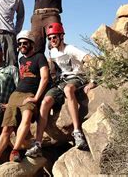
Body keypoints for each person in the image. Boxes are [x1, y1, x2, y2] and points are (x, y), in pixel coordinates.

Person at [25, 23, 97, 157]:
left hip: (77, 78)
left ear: (61, 36)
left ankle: (77, 132)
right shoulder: (52, 52)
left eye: (54, 37)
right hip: (61, 81)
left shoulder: (70, 49)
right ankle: (37, 144)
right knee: (45, 101)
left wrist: (92, 81)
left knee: (69, 90)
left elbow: (90, 59)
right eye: (50, 38)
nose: (52, 40)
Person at [0, 30, 49, 168]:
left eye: (25, 43)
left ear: (31, 44)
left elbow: (45, 78)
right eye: (20, 44)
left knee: (26, 117)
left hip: (30, 95)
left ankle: (15, 150)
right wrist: (10, 102)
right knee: (7, 127)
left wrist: (36, 97)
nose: (22, 46)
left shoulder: (39, 57)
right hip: (15, 95)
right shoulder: (21, 59)